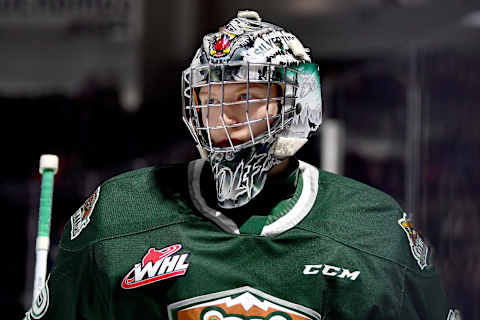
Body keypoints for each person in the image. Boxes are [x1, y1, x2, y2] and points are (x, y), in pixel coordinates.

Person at [24, 10, 460, 320]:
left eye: (246, 99)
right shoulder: (120, 214)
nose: (224, 119)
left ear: (298, 101)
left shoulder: (372, 230)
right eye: (209, 100)